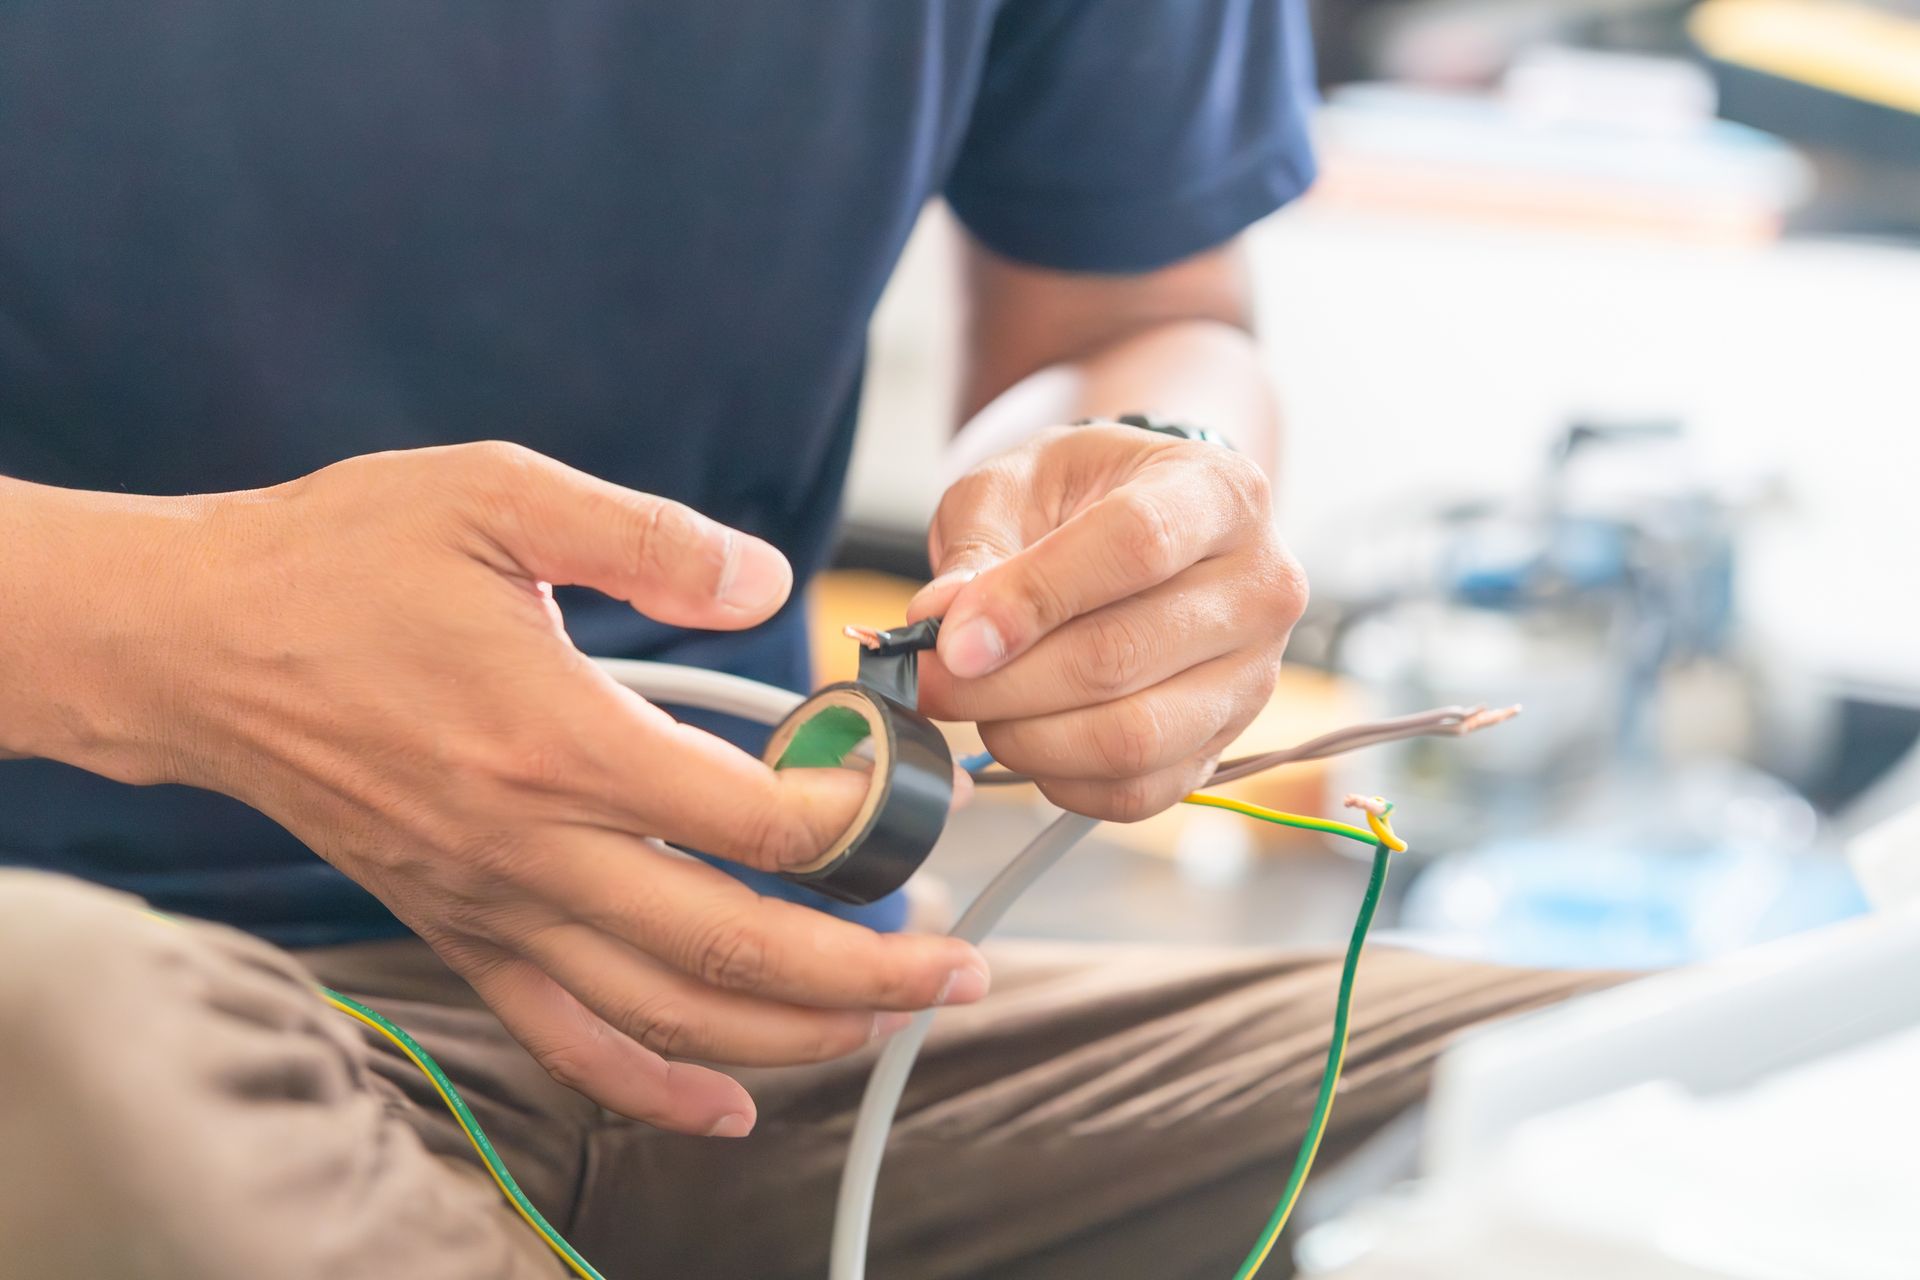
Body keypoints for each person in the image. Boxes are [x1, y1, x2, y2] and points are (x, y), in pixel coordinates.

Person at [0, 3, 1608, 1276]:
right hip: (126, 1013)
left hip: (798, 1035)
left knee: (1720, 1093)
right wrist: (180, 629)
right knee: (46, 1021)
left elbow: (1137, 314)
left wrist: (1147, 491)